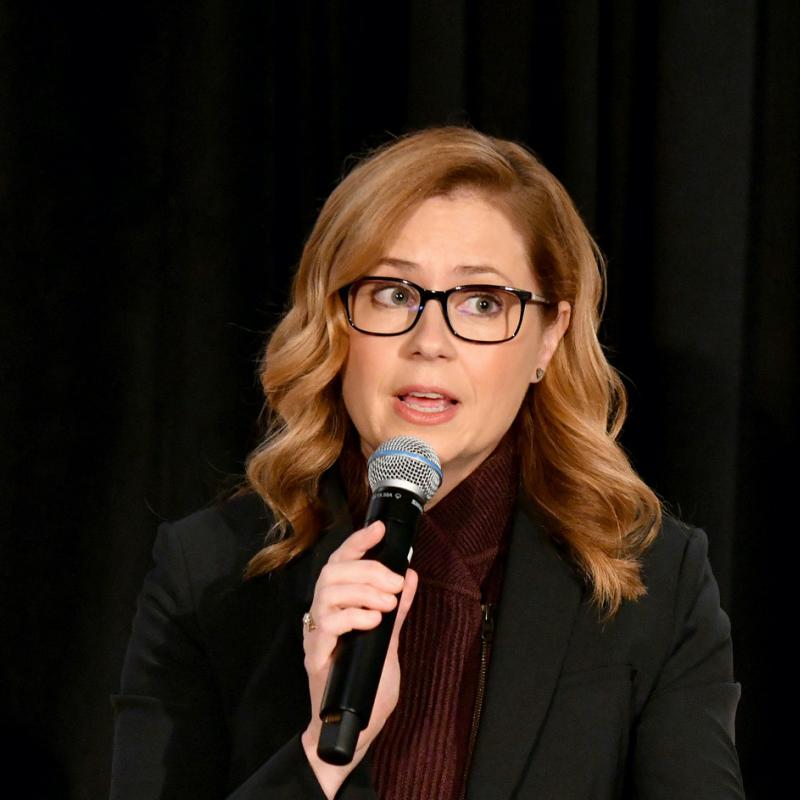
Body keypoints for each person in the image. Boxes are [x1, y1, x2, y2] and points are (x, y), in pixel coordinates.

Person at [110, 125, 745, 799]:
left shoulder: (655, 583)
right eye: (393, 294)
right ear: (335, 321)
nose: (429, 341)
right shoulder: (205, 572)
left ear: (548, 337)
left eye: (481, 303)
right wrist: (320, 760)